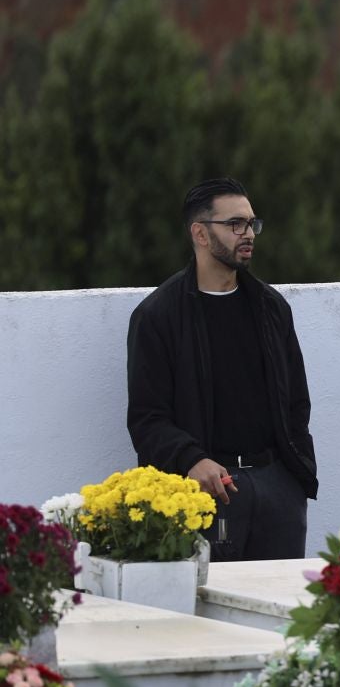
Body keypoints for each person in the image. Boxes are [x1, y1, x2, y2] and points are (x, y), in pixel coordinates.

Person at [126, 177, 317, 562]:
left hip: (276, 491)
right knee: (207, 618)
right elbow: (147, 418)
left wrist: (293, 480)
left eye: (251, 224)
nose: (247, 234)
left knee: (279, 616)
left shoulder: (270, 308)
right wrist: (191, 460)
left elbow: (296, 400)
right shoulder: (159, 316)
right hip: (204, 494)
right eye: (234, 224)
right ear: (199, 233)